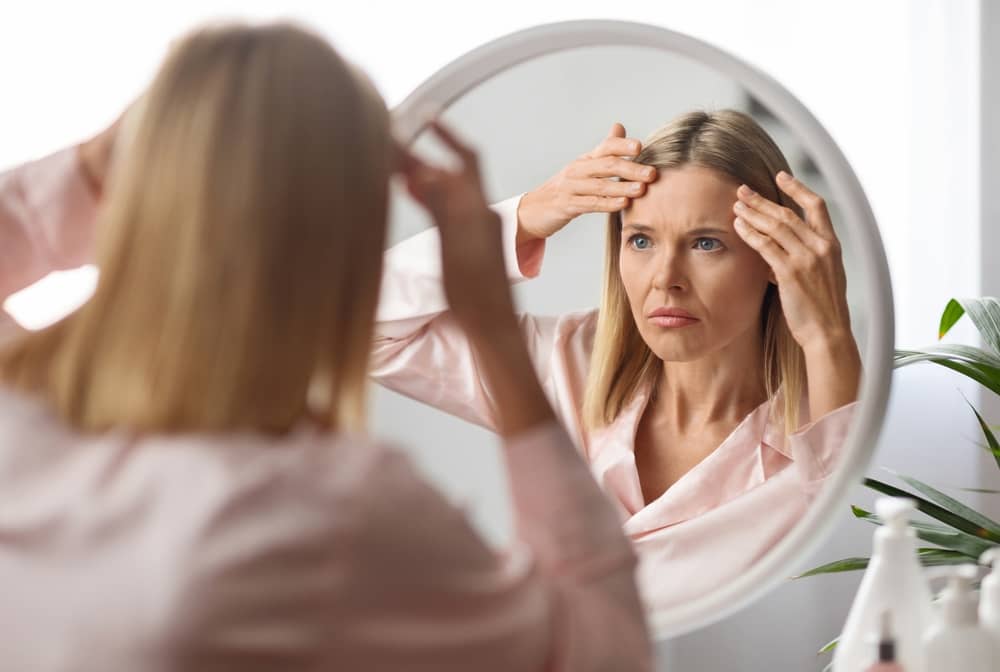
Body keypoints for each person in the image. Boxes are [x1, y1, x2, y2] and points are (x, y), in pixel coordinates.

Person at [0, 23, 651, 671]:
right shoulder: (326, 515)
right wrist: (493, 329)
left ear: (132, 184)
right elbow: (605, 652)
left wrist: (92, 166)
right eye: (645, 240)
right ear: (348, 242)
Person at [372, 110, 861, 610]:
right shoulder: (567, 364)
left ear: (775, 257)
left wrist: (828, 337)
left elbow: (853, 575)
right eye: (642, 240)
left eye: (706, 243)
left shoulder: (823, 419)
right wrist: (528, 214)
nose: (664, 278)